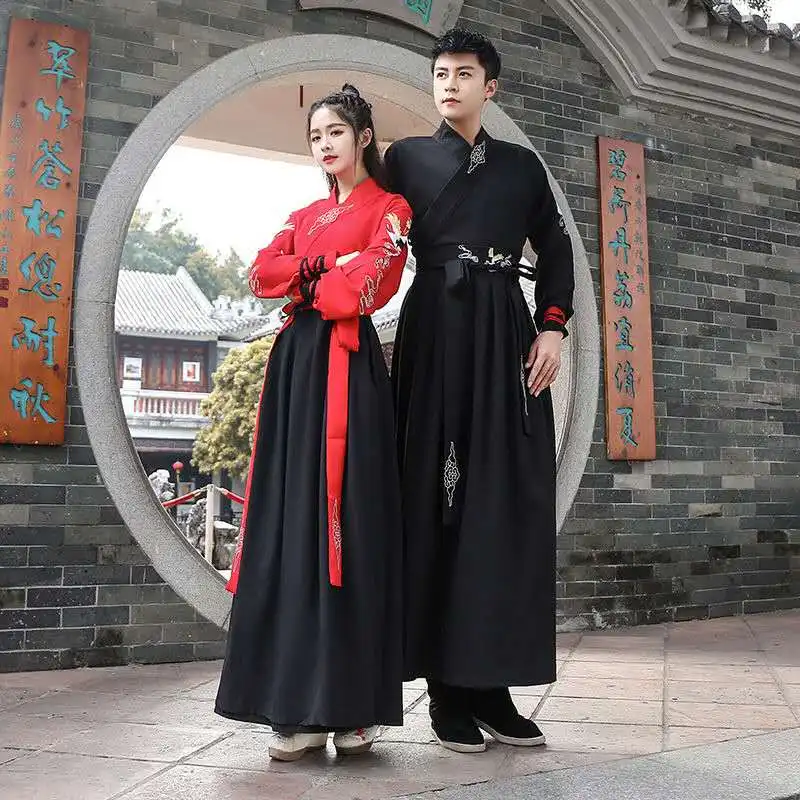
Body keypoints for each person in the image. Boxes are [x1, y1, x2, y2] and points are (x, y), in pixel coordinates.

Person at [385, 29, 575, 753]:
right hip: (435, 327)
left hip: (505, 332)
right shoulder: (405, 159)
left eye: (464, 74)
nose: (450, 84)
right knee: (436, 497)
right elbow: (368, 228)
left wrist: (552, 327)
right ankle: (445, 689)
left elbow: (555, 246)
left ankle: (491, 685)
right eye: (441, 73)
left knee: (504, 500)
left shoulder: (521, 167)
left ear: (489, 87)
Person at [215, 84, 411, 762]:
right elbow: (259, 274)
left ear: (364, 137)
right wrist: (325, 265)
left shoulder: (391, 209)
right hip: (296, 371)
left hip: (349, 372)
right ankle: (294, 704)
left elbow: (367, 287)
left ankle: (353, 704)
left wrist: (310, 280)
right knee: (292, 521)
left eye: (336, 132)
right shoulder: (302, 215)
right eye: (315, 136)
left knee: (349, 518)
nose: (325, 144)